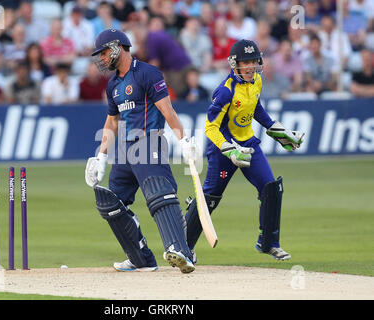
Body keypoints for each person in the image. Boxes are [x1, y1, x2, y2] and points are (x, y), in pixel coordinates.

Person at [85, 29, 197, 273]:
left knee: (159, 195)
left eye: (104, 52)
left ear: (118, 47)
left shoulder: (147, 73)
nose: (102, 59)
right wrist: (101, 156)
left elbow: (167, 110)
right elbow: (112, 122)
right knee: (111, 203)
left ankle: (181, 251)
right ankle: (141, 258)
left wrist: (184, 141)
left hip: (149, 142)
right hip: (126, 150)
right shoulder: (113, 84)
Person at [184, 39, 304, 262]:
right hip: (223, 150)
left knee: (271, 189)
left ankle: (268, 243)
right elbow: (210, 127)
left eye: (252, 61)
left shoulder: (257, 80)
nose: (249, 67)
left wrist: (277, 131)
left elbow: (256, 108)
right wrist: (230, 150)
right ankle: (184, 247)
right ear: (234, 64)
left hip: (248, 144)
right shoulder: (225, 91)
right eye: (244, 62)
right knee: (210, 197)